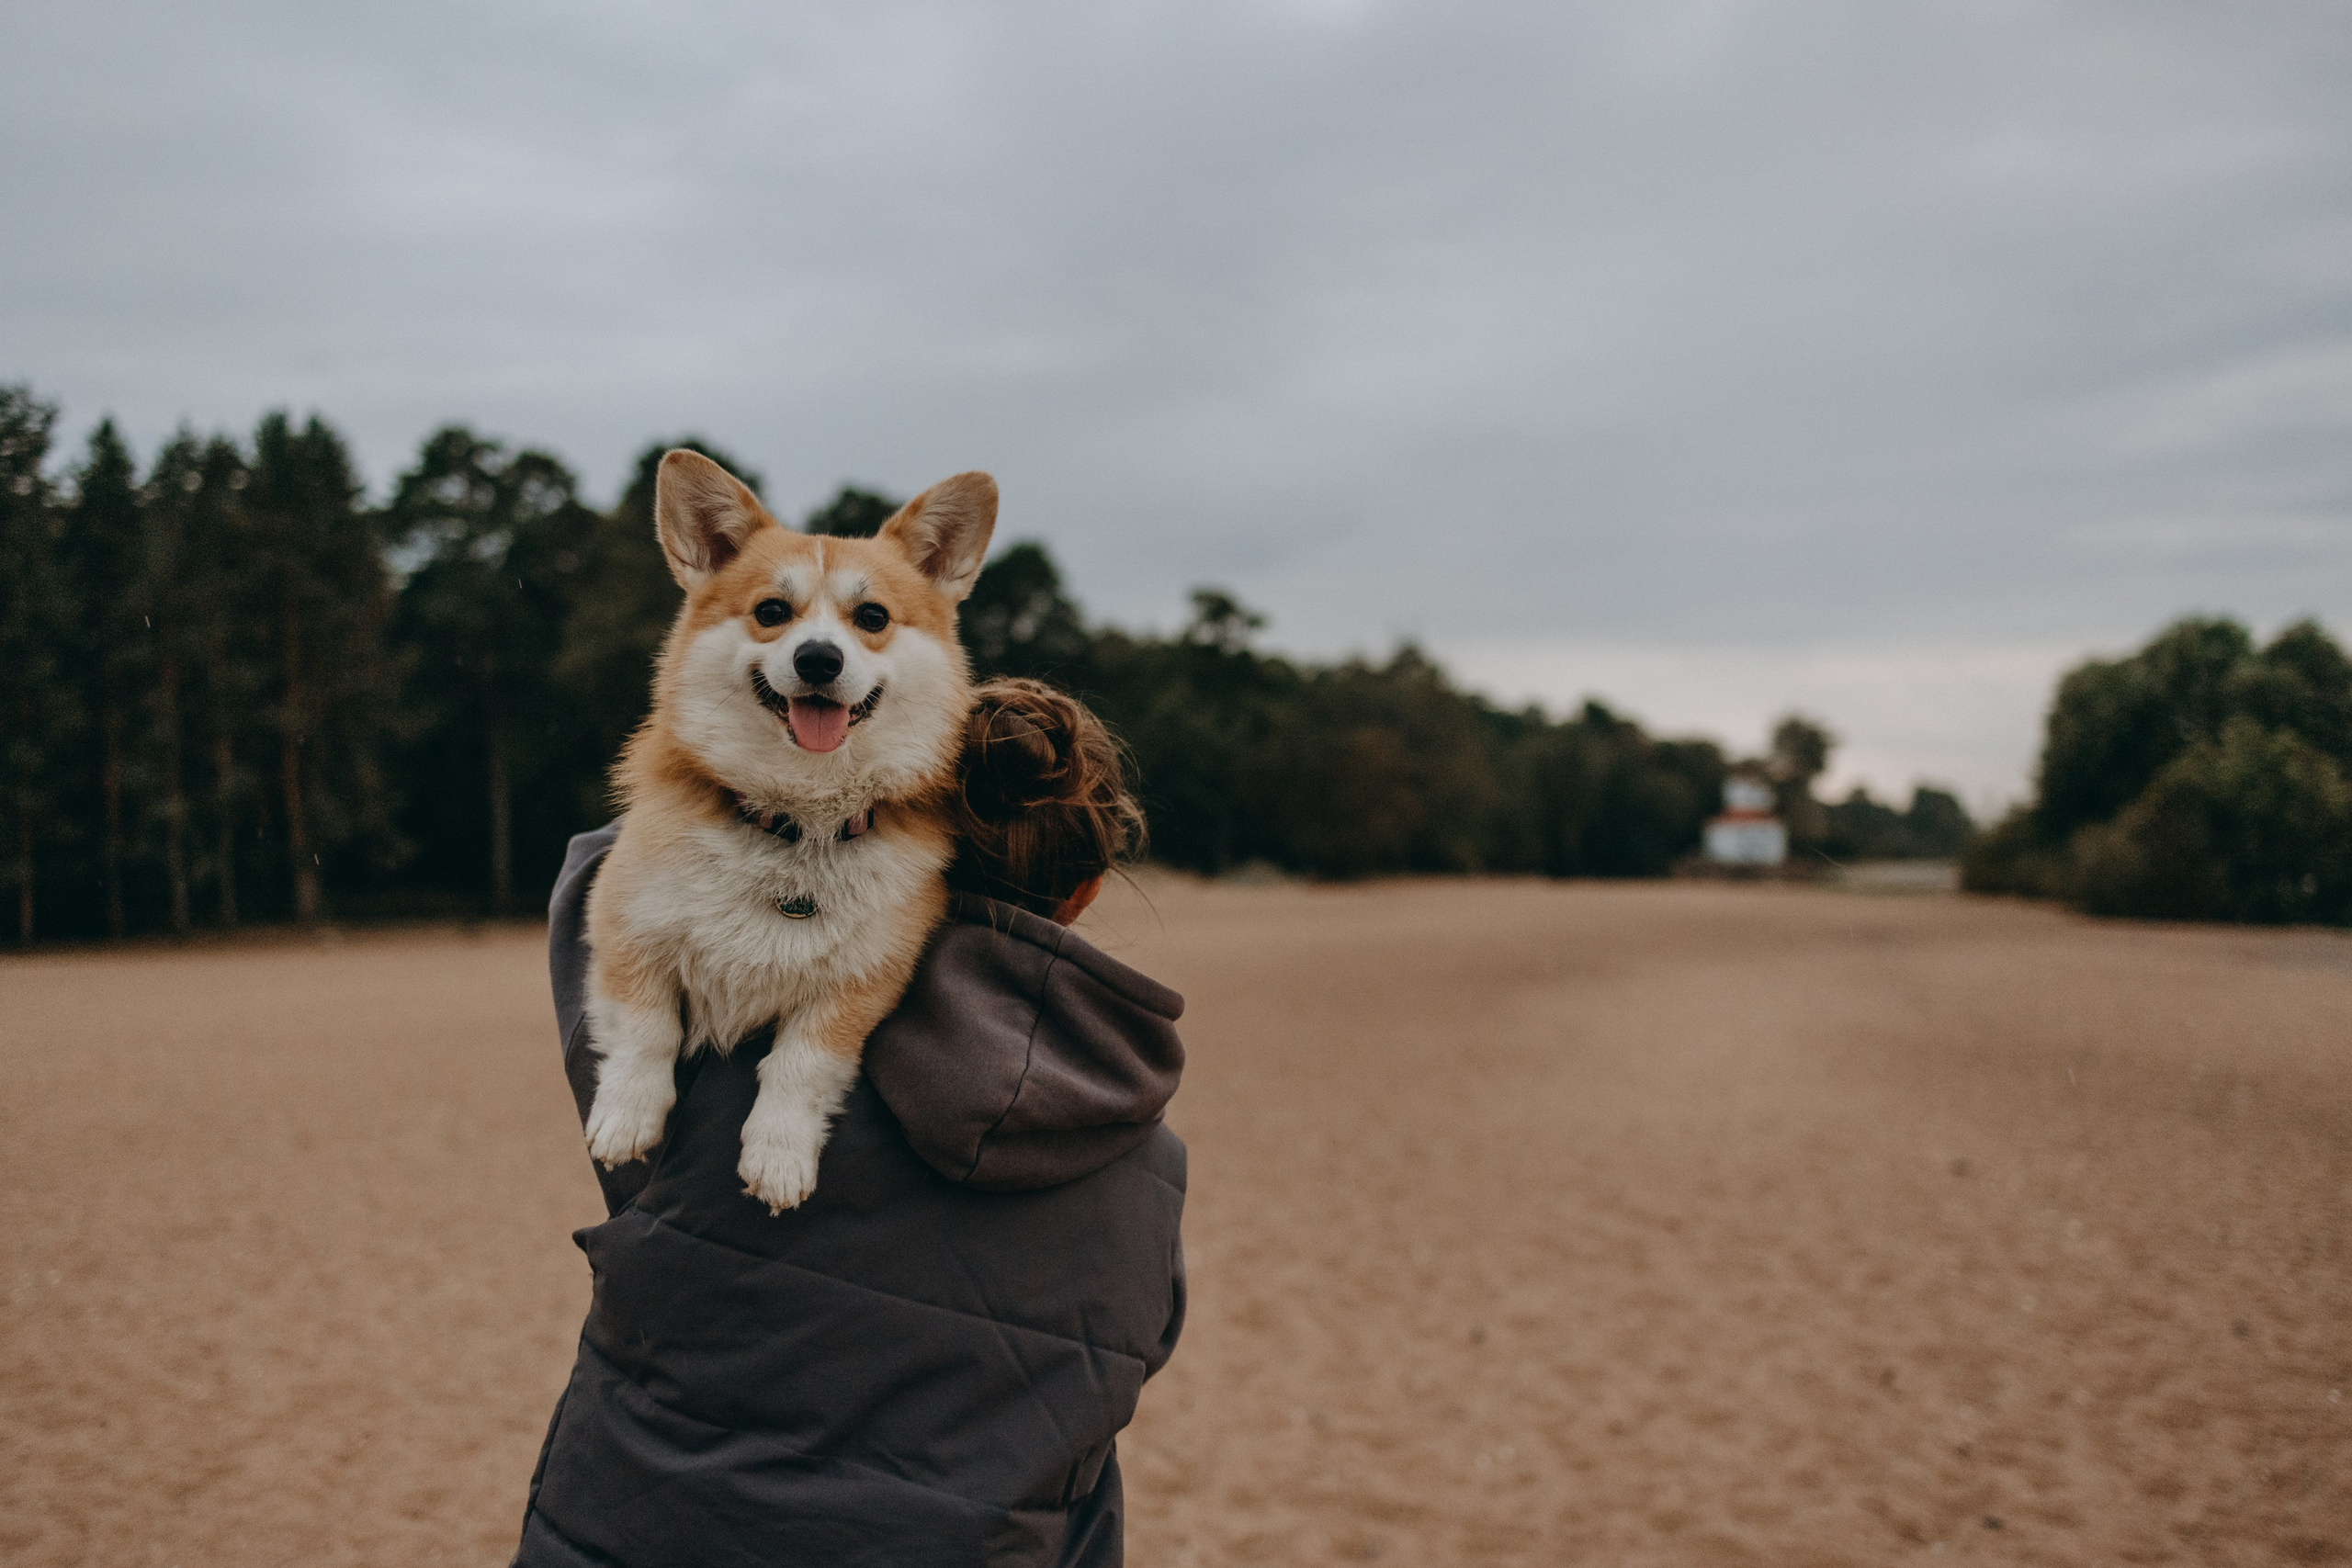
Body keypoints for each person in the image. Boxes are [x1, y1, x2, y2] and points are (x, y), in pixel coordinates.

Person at [512, 680, 1186, 1568]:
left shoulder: (718, 1049)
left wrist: (815, 795)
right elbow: (1084, 1461)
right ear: (1090, 888)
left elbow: (605, 868)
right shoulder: (1146, 1167)